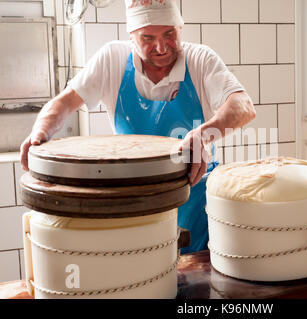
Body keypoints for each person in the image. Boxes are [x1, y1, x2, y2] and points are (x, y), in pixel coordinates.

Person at [19, 0, 256, 253]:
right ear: (131, 36)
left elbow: (243, 106)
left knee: (197, 281)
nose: (161, 47)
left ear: (180, 28)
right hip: (135, 204)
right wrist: (39, 133)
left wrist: (203, 134)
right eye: (148, 38)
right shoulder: (113, 59)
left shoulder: (200, 60)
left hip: (196, 202)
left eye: (169, 34)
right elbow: (65, 103)